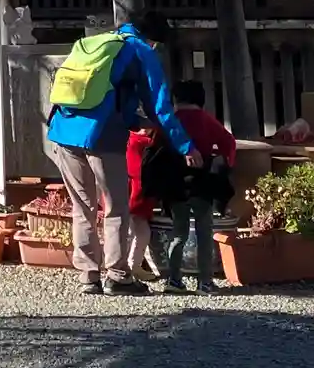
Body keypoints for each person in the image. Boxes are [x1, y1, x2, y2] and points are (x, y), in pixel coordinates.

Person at [43, 15, 201, 295]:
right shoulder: (140, 50)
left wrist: (134, 121)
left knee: (83, 207)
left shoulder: (94, 43)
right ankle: (117, 275)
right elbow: (160, 106)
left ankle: (88, 276)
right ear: (153, 40)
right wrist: (186, 146)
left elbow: (104, 96)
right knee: (116, 207)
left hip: (64, 131)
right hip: (102, 136)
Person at [134, 80, 239, 292]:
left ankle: (174, 280)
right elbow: (229, 143)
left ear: (175, 99)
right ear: (201, 99)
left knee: (178, 233)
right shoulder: (207, 120)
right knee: (204, 232)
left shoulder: (169, 123)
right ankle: (205, 282)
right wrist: (222, 162)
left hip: (174, 186)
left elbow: (153, 150)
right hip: (201, 185)